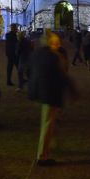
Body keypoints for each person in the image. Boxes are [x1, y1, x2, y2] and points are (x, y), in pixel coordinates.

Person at [30, 31, 77, 166]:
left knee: (49, 122)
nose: (58, 45)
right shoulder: (53, 56)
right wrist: (73, 92)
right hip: (50, 94)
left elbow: (30, 71)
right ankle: (42, 156)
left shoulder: (37, 53)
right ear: (51, 43)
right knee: (48, 123)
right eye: (56, 43)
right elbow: (62, 77)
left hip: (41, 93)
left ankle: (49, 145)